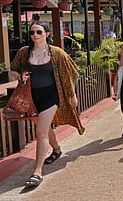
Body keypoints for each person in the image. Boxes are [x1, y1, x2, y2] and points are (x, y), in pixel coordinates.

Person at [9, 23, 84, 187]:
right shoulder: (24, 52)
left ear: (46, 33)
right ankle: (56, 149)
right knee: (44, 129)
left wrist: (72, 94)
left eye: (39, 32)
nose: (35, 35)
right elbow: (12, 70)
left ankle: (37, 171)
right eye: (32, 32)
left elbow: (71, 71)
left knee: (41, 132)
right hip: (31, 97)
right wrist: (20, 75)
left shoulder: (56, 53)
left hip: (51, 96)